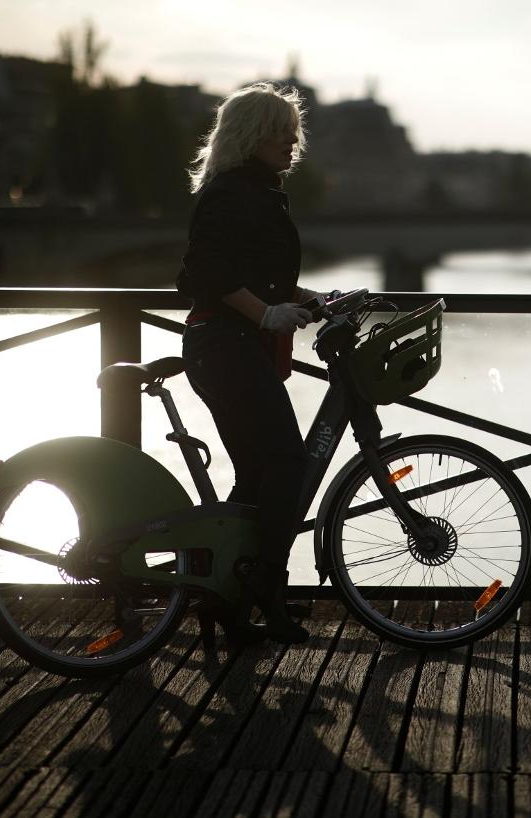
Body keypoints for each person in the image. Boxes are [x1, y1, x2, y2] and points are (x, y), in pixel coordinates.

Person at [176, 82, 323, 645]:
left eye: (293, 135)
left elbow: (257, 273)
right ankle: (264, 587)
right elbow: (205, 269)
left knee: (259, 475)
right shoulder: (236, 191)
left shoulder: (253, 190)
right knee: (288, 461)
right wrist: (264, 315)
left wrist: (312, 300)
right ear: (251, 137)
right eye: (280, 135)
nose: (291, 145)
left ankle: (228, 597)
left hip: (229, 347)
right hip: (226, 348)